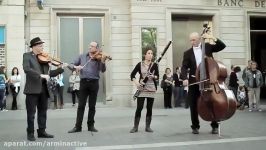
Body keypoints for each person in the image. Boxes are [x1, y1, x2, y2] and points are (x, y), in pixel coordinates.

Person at [180, 32, 226, 134]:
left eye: (194, 40)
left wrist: (212, 37)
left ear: (199, 39)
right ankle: (195, 126)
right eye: (191, 40)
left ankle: (214, 125)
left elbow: (222, 46)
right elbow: (184, 67)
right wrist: (184, 78)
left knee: (211, 102)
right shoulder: (187, 53)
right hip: (194, 80)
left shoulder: (208, 47)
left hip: (209, 80)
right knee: (193, 104)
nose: (192, 42)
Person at [23, 37, 65, 141]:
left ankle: (42, 131)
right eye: (40, 45)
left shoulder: (44, 59)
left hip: (44, 89)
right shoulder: (27, 56)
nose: (42, 47)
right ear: (34, 46)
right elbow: (27, 69)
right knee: (31, 113)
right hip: (32, 89)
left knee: (43, 112)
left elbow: (49, 74)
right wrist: (41, 75)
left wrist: (61, 69)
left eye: (42, 45)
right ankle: (30, 133)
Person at [68, 41, 108, 133]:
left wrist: (102, 61)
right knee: (81, 105)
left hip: (94, 83)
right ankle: (78, 127)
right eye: (89, 45)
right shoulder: (82, 56)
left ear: (97, 49)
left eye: (92, 46)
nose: (90, 47)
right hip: (83, 83)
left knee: (92, 106)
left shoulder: (99, 58)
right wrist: (75, 67)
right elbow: (70, 64)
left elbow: (103, 70)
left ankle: (91, 126)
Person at [129, 48, 159, 133]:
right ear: (145, 55)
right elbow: (132, 75)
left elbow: (157, 76)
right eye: (148, 53)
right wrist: (136, 83)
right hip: (142, 89)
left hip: (152, 88)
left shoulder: (154, 65)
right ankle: (135, 127)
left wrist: (153, 76)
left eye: (151, 53)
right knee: (139, 108)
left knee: (149, 108)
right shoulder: (140, 64)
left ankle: (148, 127)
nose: (150, 55)